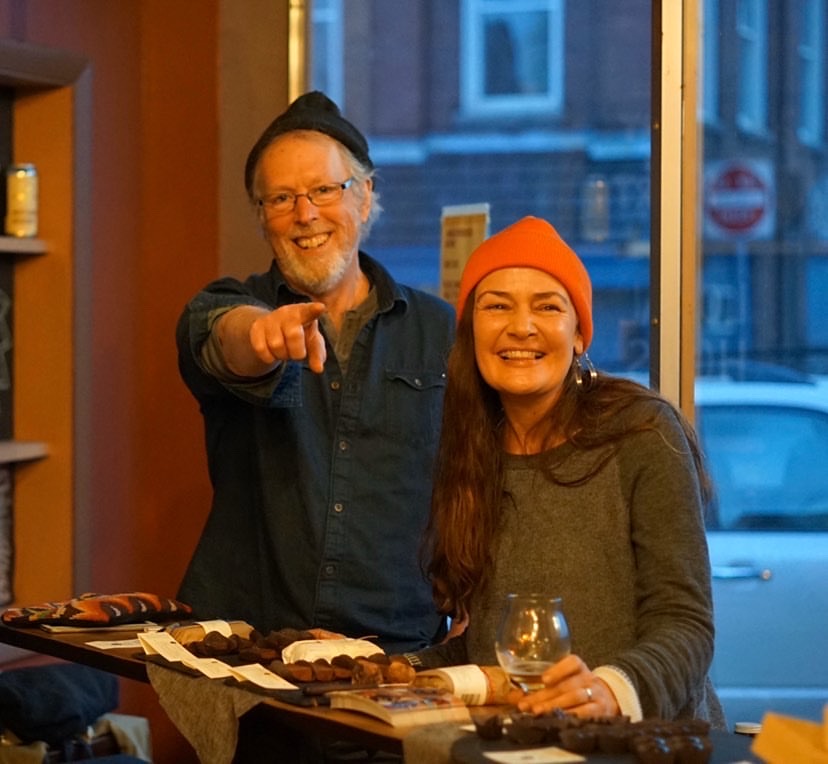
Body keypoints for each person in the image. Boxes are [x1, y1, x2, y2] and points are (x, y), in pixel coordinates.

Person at [411, 215, 726, 728]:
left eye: (547, 306)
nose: (521, 326)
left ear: (579, 334)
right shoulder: (468, 450)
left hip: (645, 744)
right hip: (525, 745)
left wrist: (609, 689)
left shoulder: (644, 431)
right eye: (496, 306)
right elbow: (487, 648)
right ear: (471, 331)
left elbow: (686, 625)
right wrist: (390, 669)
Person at [175, 91, 455, 655]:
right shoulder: (225, 306)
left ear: (365, 194)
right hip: (249, 654)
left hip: (399, 654)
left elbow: (477, 478)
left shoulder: (439, 329)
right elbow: (221, 335)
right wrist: (260, 336)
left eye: (325, 190)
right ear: (261, 216)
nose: (305, 214)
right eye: (281, 198)